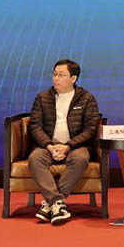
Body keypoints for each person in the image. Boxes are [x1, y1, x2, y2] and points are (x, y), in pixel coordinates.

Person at [27, 59, 100, 226]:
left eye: (61, 75)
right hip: (48, 146)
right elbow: (35, 126)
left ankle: (51, 203)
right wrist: (49, 146)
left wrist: (68, 146)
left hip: (75, 146)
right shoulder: (42, 97)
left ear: (73, 78)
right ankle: (57, 203)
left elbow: (90, 129)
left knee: (80, 159)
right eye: (54, 74)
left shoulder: (87, 99)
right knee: (35, 159)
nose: (55, 78)